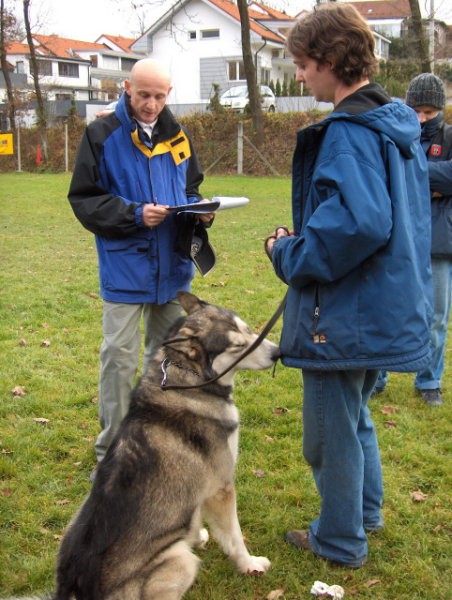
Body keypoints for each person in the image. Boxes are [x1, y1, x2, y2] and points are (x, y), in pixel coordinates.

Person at [264, 4, 432, 568]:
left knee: (328, 433)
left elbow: (359, 223)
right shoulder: (393, 122)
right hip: (376, 303)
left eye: (305, 64)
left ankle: (339, 539)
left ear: (332, 60)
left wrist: (286, 250)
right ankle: (363, 514)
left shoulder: (351, 134)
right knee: (353, 417)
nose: (301, 75)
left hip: (343, 313)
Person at [68, 58, 214, 475]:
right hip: (125, 269)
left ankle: (157, 440)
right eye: (144, 94)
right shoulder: (100, 134)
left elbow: (192, 189)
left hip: (171, 269)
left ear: (169, 94)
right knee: (118, 359)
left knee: (166, 359)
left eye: (159, 96)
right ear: (127, 88)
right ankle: (112, 454)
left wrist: (202, 213)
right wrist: (134, 215)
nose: (151, 104)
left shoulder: (180, 136)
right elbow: (84, 199)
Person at [374, 74, 451, 407]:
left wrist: (412, 178)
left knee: (436, 316)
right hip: (397, 238)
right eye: (416, 110)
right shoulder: (392, 135)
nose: (421, 118)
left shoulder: (449, 136)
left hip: (439, 241)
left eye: (429, 112)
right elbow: (383, 175)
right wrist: (432, 186)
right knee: (386, 309)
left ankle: (429, 380)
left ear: (440, 110)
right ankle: (377, 376)